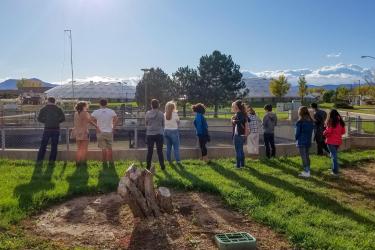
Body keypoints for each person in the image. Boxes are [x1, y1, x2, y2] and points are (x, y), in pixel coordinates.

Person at [36, 97, 65, 163]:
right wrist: (57, 122)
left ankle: (39, 160)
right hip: (56, 129)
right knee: (54, 146)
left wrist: (46, 121)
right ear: (54, 102)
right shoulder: (58, 109)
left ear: (48, 101)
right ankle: (52, 161)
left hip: (47, 129)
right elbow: (63, 118)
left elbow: (39, 119)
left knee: (43, 145)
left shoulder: (44, 109)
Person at [72, 101, 99, 166]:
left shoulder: (75, 113)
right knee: (84, 149)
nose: (87, 107)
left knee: (79, 148)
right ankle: (83, 162)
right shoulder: (85, 113)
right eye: (86, 105)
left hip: (77, 132)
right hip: (84, 132)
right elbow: (90, 121)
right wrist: (97, 126)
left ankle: (77, 162)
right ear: (84, 106)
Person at [91, 99, 118, 165]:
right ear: (107, 104)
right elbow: (116, 119)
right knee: (110, 148)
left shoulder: (96, 112)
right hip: (109, 131)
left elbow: (90, 120)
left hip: (100, 132)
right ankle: (111, 162)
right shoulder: (111, 111)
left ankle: (104, 163)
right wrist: (113, 128)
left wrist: (96, 126)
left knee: (103, 149)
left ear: (99, 104)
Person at [323, 109, 346, 176]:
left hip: (331, 142)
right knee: (333, 155)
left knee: (333, 156)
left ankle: (335, 171)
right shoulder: (341, 122)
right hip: (338, 141)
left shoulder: (330, 122)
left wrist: (324, 133)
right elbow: (343, 132)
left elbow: (328, 132)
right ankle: (333, 168)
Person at [145, 99, 166, 170]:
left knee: (149, 151)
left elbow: (146, 123)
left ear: (151, 105)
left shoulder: (147, 113)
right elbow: (163, 124)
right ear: (158, 105)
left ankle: (148, 167)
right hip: (159, 133)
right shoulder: (161, 114)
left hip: (150, 134)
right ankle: (162, 166)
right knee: (160, 151)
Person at [295, 106, 314, 178]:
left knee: (304, 157)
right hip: (308, 141)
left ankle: (306, 172)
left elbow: (297, 133)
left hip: (301, 141)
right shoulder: (310, 121)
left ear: (300, 112)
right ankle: (308, 170)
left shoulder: (300, 122)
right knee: (307, 156)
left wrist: (296, 139)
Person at [231, 100, 248, 168]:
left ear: (237, 107)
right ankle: (242, 164)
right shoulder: (243, 113)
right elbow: (247, 120)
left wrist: (233, 120)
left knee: (238, 150)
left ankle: (238, 165)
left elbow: (239, 121)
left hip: (238, 135)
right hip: (242, 134)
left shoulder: (239, 114)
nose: (232, 108)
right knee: (241, 150)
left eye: (233, 106)